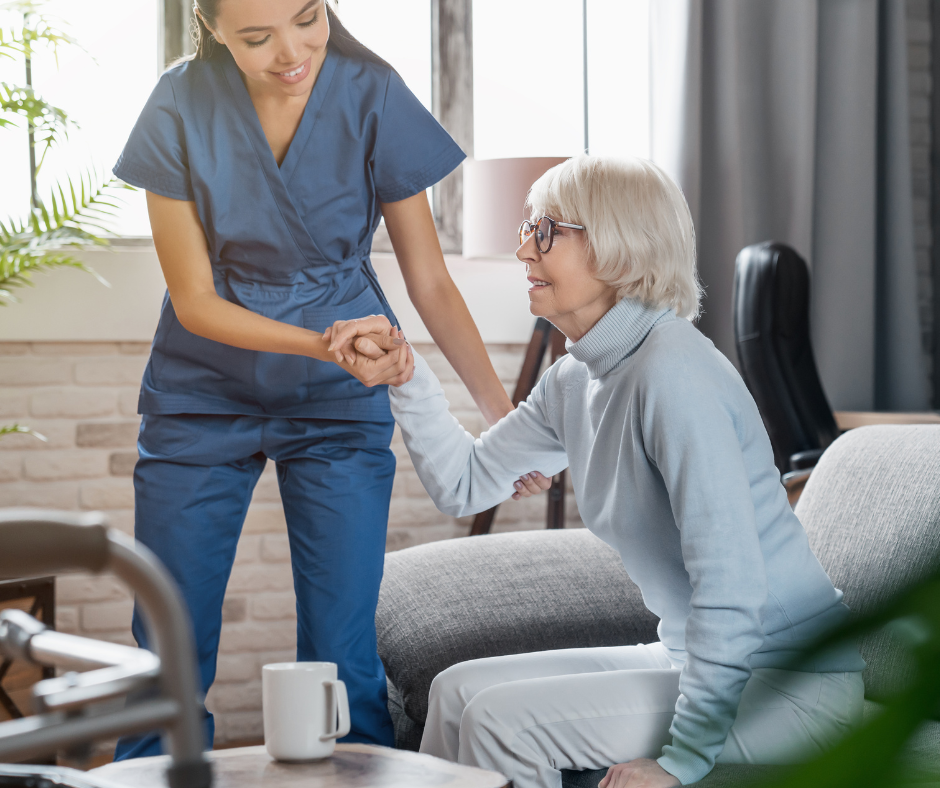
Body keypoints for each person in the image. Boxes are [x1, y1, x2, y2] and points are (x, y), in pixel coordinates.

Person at [330, 155, 865, 788]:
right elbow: (465, 483)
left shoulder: (673, 374)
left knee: (506, 722)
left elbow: (731, 584)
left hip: (793, 684)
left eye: (547, 230)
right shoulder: (577, 378)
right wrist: (406, 376)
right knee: (453, 691)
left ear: (620, 247)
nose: (524, 246)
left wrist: (682, 762)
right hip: (688, 655)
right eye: (528, 226)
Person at [110, 0, 548, 759]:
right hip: (202, 393)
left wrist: (503, 421)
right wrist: (325, 345)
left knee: (345, 660)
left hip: (339, 402)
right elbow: (196, 301)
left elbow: (432, 284)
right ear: (211, 26)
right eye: (256, 36)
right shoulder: (178, 103)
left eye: (308, 18)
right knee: (167, 657)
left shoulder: (371, 91)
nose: (291, 50)